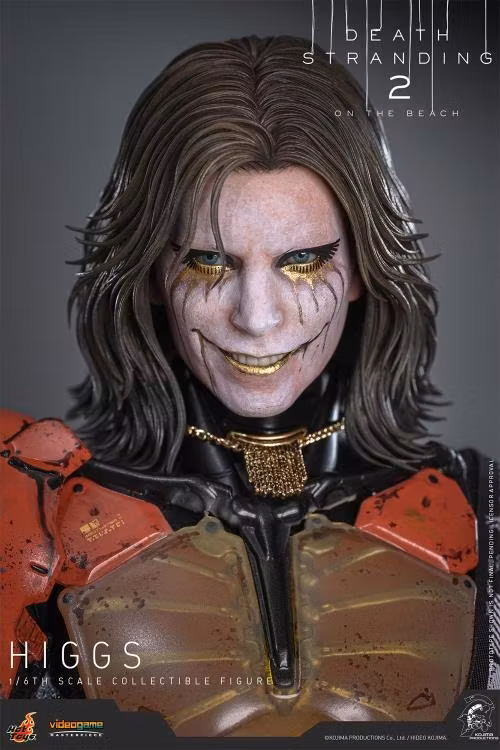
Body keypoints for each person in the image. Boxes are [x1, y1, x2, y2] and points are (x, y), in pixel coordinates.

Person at [0, 36, 491, 737]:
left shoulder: (481, 515)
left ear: (361, 268)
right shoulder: (30, 509)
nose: (256, 318)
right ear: (151, 272)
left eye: (302, 261)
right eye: (208, 262)